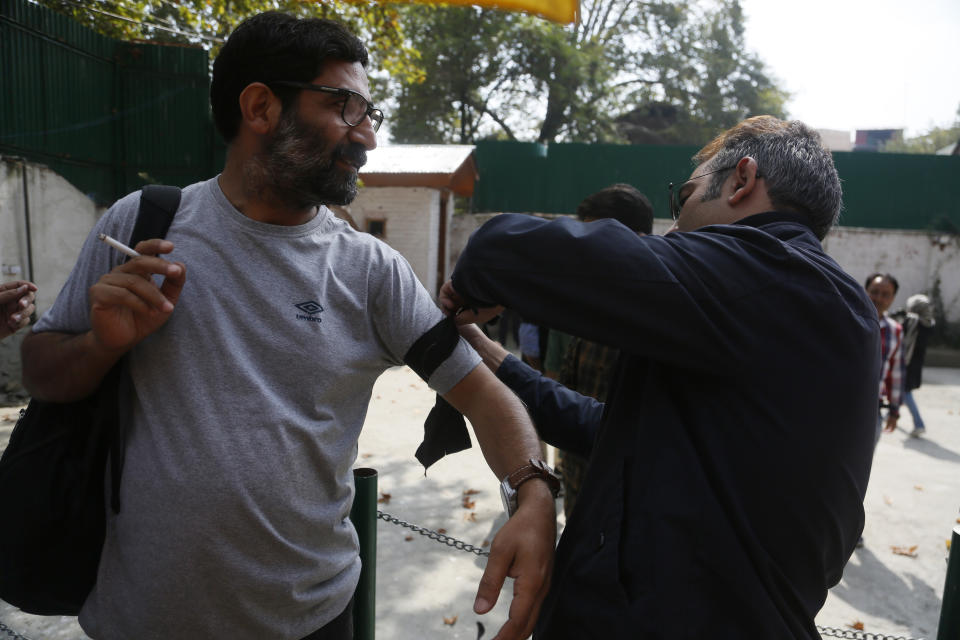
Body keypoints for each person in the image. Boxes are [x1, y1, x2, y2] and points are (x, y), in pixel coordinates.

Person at [21, 12, 555, 640]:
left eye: (369, 116)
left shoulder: (370, 271)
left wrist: (533, 490)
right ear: (260, 107)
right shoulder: (145, 223)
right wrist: (100, 345)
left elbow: (485, 395)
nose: (367, 139)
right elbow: (42, 371)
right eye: (347, 109)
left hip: (311, 621)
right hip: (139, 617)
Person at [441, 116, 880, 638]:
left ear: (742, 181)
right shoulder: (809, 304)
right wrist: (494, 360)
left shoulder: (767, 276)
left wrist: (479, 278)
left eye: (685, 199)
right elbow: (622, 431)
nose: (673, 227)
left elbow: (502, 250)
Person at [545, 183, 654, 517]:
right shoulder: (584, 302)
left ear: (634, 238)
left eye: (596, 238)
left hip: (630, 500)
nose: (586, 251)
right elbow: (561, 387)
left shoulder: (659, 315)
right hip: (580, 485)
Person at [891, 293, 935, 437]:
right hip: (915, 363)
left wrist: (900, 317)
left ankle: (919, 423)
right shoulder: (928, 323)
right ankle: (891, 412)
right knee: (900, 389)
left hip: (907, 362)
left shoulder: (913, 322)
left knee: (905, 391)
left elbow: (900, 330)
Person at [865, 273, 903, 437]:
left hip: (873, 410)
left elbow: (895, 373)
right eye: (874, 291)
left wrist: (894, 411)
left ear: (893, 298)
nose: (878, 298)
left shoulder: (895, 331)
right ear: (865, 291)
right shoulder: (848, 320)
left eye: (886, 294)